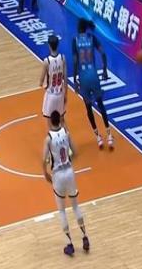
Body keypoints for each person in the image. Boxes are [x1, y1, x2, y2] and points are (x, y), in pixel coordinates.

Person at [42, 110, 90, 256]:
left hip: (58, 175)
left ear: (50, 121)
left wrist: (45, 173)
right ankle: (85, 237)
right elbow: (75, 152)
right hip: (69, 172)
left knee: (62, 210)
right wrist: (68, 161)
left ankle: (69, 244)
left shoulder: (48, 138)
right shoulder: (66, 133)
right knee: (75, 206)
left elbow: (43, 159)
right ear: (60, 120)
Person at [73, 19, 113, 148]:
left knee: (88, 108)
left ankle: (98, 137)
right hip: (94, 76)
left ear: (78, 28)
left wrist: (75, 80)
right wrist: (105, 69)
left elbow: (75, 61)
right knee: (100, 105)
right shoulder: (92, 38)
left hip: (83, 78)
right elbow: (103, 53)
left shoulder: (75, 40)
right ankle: (109, 135)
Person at [40, 35, 67, 127]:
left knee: (49, 121)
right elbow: (65, 79)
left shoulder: (47, 61)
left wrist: (44, 85)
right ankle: (66, 135)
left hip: (51, 95)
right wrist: (65, 95)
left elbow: (41, 82)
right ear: (58, 44)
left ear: (49, 45)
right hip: (60, 93)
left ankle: (52, 136)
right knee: (62, 119)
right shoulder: (62, 58)